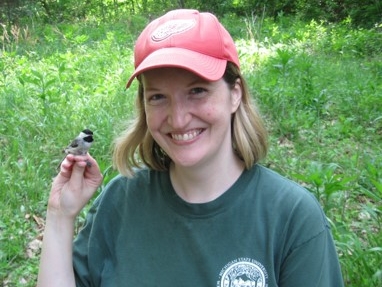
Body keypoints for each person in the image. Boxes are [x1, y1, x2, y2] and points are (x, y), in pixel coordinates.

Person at [37, 9, 344, 287]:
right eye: (158, 97)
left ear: (234, 94)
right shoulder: (120, 200)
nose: (179, 119)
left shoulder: (292, 217)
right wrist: (61, 216)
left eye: (197, 91)